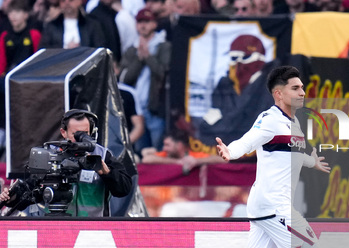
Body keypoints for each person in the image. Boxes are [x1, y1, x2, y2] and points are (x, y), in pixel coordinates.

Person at [196, 65, 330, 248]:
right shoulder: (269, 119)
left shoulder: (293, 124)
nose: (302, 92)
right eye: (295, 88)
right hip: (273, 205)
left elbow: (290, 153)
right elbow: (249, 140)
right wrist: (230, 151)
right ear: (278, 94)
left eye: (302, 87)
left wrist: (311, 162)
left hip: (264, 205)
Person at [0, 109, 132, 216]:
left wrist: (107, 173)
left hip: (93, 229)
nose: (82, 139)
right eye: (76, 134)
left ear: (92, 132)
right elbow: (30, 193)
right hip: (56, 227)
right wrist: (11, 198)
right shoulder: (51, 154)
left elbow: (124, 189)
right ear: (64, 132)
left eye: (85, 133)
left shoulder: (102, 154)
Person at [119, 8, 171, 152]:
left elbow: (163, 73)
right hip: (137, 111)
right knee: (139, 152)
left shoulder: (164, 46)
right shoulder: (131, 50)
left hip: (155, 108)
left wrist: (148, 57)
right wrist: (139, 59)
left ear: (154, 24)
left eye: (147, 22)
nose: (143, 25)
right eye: (140, 22)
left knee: (158, 150)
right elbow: (124, 79)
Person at [141, 128, 224, 172]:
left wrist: (197, 161)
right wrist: (177, 162)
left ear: (179, 145)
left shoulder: (193, 155)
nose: (164, 148)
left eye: (167, 145)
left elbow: (223, 160)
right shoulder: (165, 155)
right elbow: (146, 159)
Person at [39, 0, 107, 49]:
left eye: (71, 0)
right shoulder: (52, 26)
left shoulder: (92, 24)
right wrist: (65, 49)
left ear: (80, 1)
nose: (67, 3)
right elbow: (43, 50)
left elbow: (100, 48)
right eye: (63, 1)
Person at [0, 0, 42, 77]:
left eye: (17, 12)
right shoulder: (4, 36)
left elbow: (39, 59)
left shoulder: (34, 34)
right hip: (9, 75)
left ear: (26, 15)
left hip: (30, 75)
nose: (13, 15)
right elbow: (1, 62)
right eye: (10, 12)